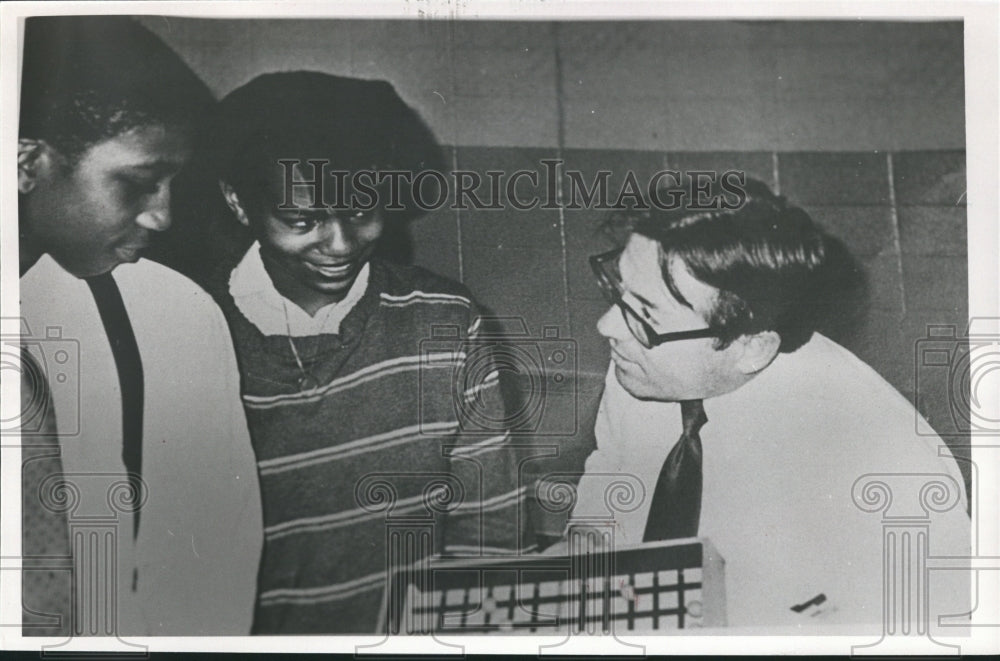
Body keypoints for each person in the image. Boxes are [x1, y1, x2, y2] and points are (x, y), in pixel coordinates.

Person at [198, 71, 534, 634]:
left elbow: (490, 539)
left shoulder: (446, 322)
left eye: (360, 211)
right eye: (302, 220)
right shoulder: (189, 329)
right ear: (237, 202)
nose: (341, 244)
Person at [567, 177, 970, 630]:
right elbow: (613, 471)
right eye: (618, 292)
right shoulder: (645, 363)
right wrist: (591, 548)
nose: (607, 326)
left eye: (644, 314)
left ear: (753, 348)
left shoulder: (882, 467)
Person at [17, 16, 262, 635]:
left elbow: (216, 554)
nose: (163, 217)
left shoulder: (174, 312)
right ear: (25, 162)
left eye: (174, 184)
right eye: (140, 182)